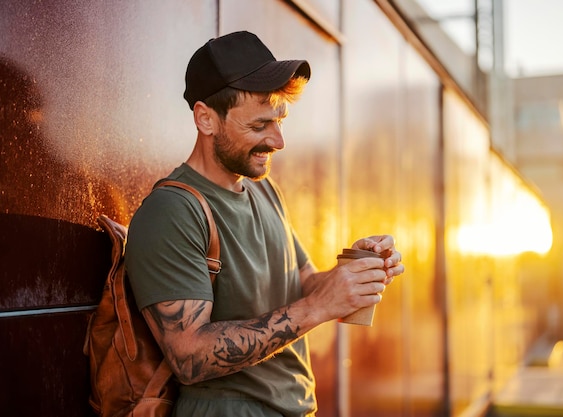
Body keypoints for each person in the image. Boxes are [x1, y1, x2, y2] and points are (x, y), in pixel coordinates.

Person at [125, 30, 404, 417]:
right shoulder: (172, 210)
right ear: (206, 119)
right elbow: (188, 357)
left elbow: (304, 283)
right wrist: (317, 308)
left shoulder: (264, 190)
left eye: (280, 121)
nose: (278, 141)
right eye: (259, 127)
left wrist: (354, 275)